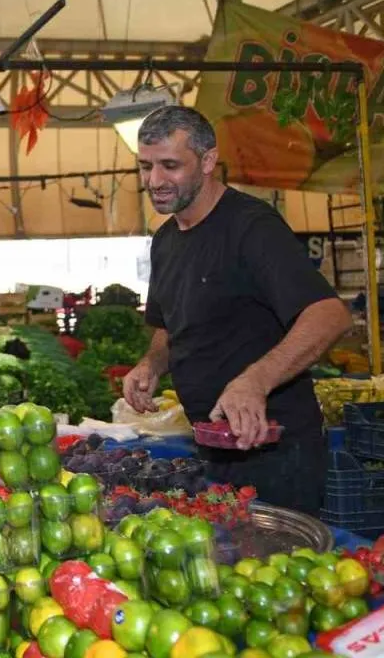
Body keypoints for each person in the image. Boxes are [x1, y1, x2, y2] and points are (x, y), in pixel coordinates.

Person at [123, 106, 353, 515]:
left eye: (170, 166)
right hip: (211, 448)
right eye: (146, 166)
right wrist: (152, 363)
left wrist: (255, 381)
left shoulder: (252, 227)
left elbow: (329, 314)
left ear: (208, 160)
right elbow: (170, 326)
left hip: (275, 451)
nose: (154, 181)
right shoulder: (166, 240)